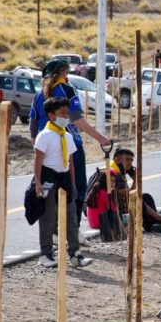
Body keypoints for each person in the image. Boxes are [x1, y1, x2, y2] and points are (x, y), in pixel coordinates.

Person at [29, 59, 111, 229]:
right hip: (69, 144)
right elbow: (76, 119)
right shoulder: (67, 89)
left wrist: (37, 146)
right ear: (64, 72)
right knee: (77, 187)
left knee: (49, 188)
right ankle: (72, 230)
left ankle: (52, 231)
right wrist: (100, 137)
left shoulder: (39, 94)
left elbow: (33, 122)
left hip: (46, 145)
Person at [33, 97, 92, 268]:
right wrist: (38, 183)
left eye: (67, 112)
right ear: (51, 116)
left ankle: (75, 253)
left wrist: (72, 183)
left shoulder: (68, 135)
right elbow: (37, 162)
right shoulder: (44, 136)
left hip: (64, 178)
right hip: (47, 178)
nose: (66, 116)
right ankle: (45, 254)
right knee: (48, 217)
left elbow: (70, 162)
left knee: (71, 217)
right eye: (62, 113)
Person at [102, 147, 161, 233]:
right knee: (138, 199)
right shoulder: (116, 174)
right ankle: (151, 225)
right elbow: (131, 196)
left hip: (110, 207)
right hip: (111, 213)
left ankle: (156, 224)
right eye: (127, 160)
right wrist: (135, 179)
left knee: (146, 196)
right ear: (117, 160)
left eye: (131, 160)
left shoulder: (111, 167)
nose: (130, 163)